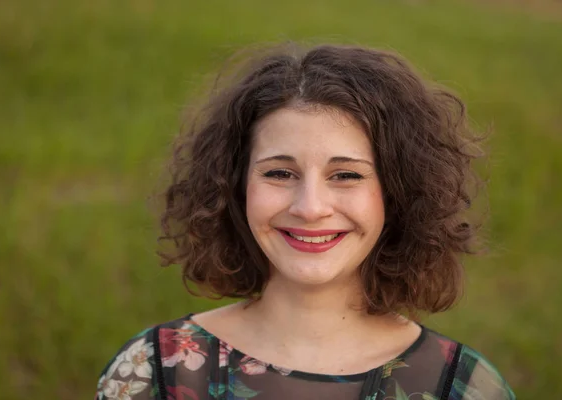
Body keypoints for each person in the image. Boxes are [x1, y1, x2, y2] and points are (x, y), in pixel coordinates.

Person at [95, 43, 515, 400]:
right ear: (235, 188)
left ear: (396, 194)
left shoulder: (463, 388)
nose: (310, 207)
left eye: (346, 175)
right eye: (279, 173)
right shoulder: (153, 373)